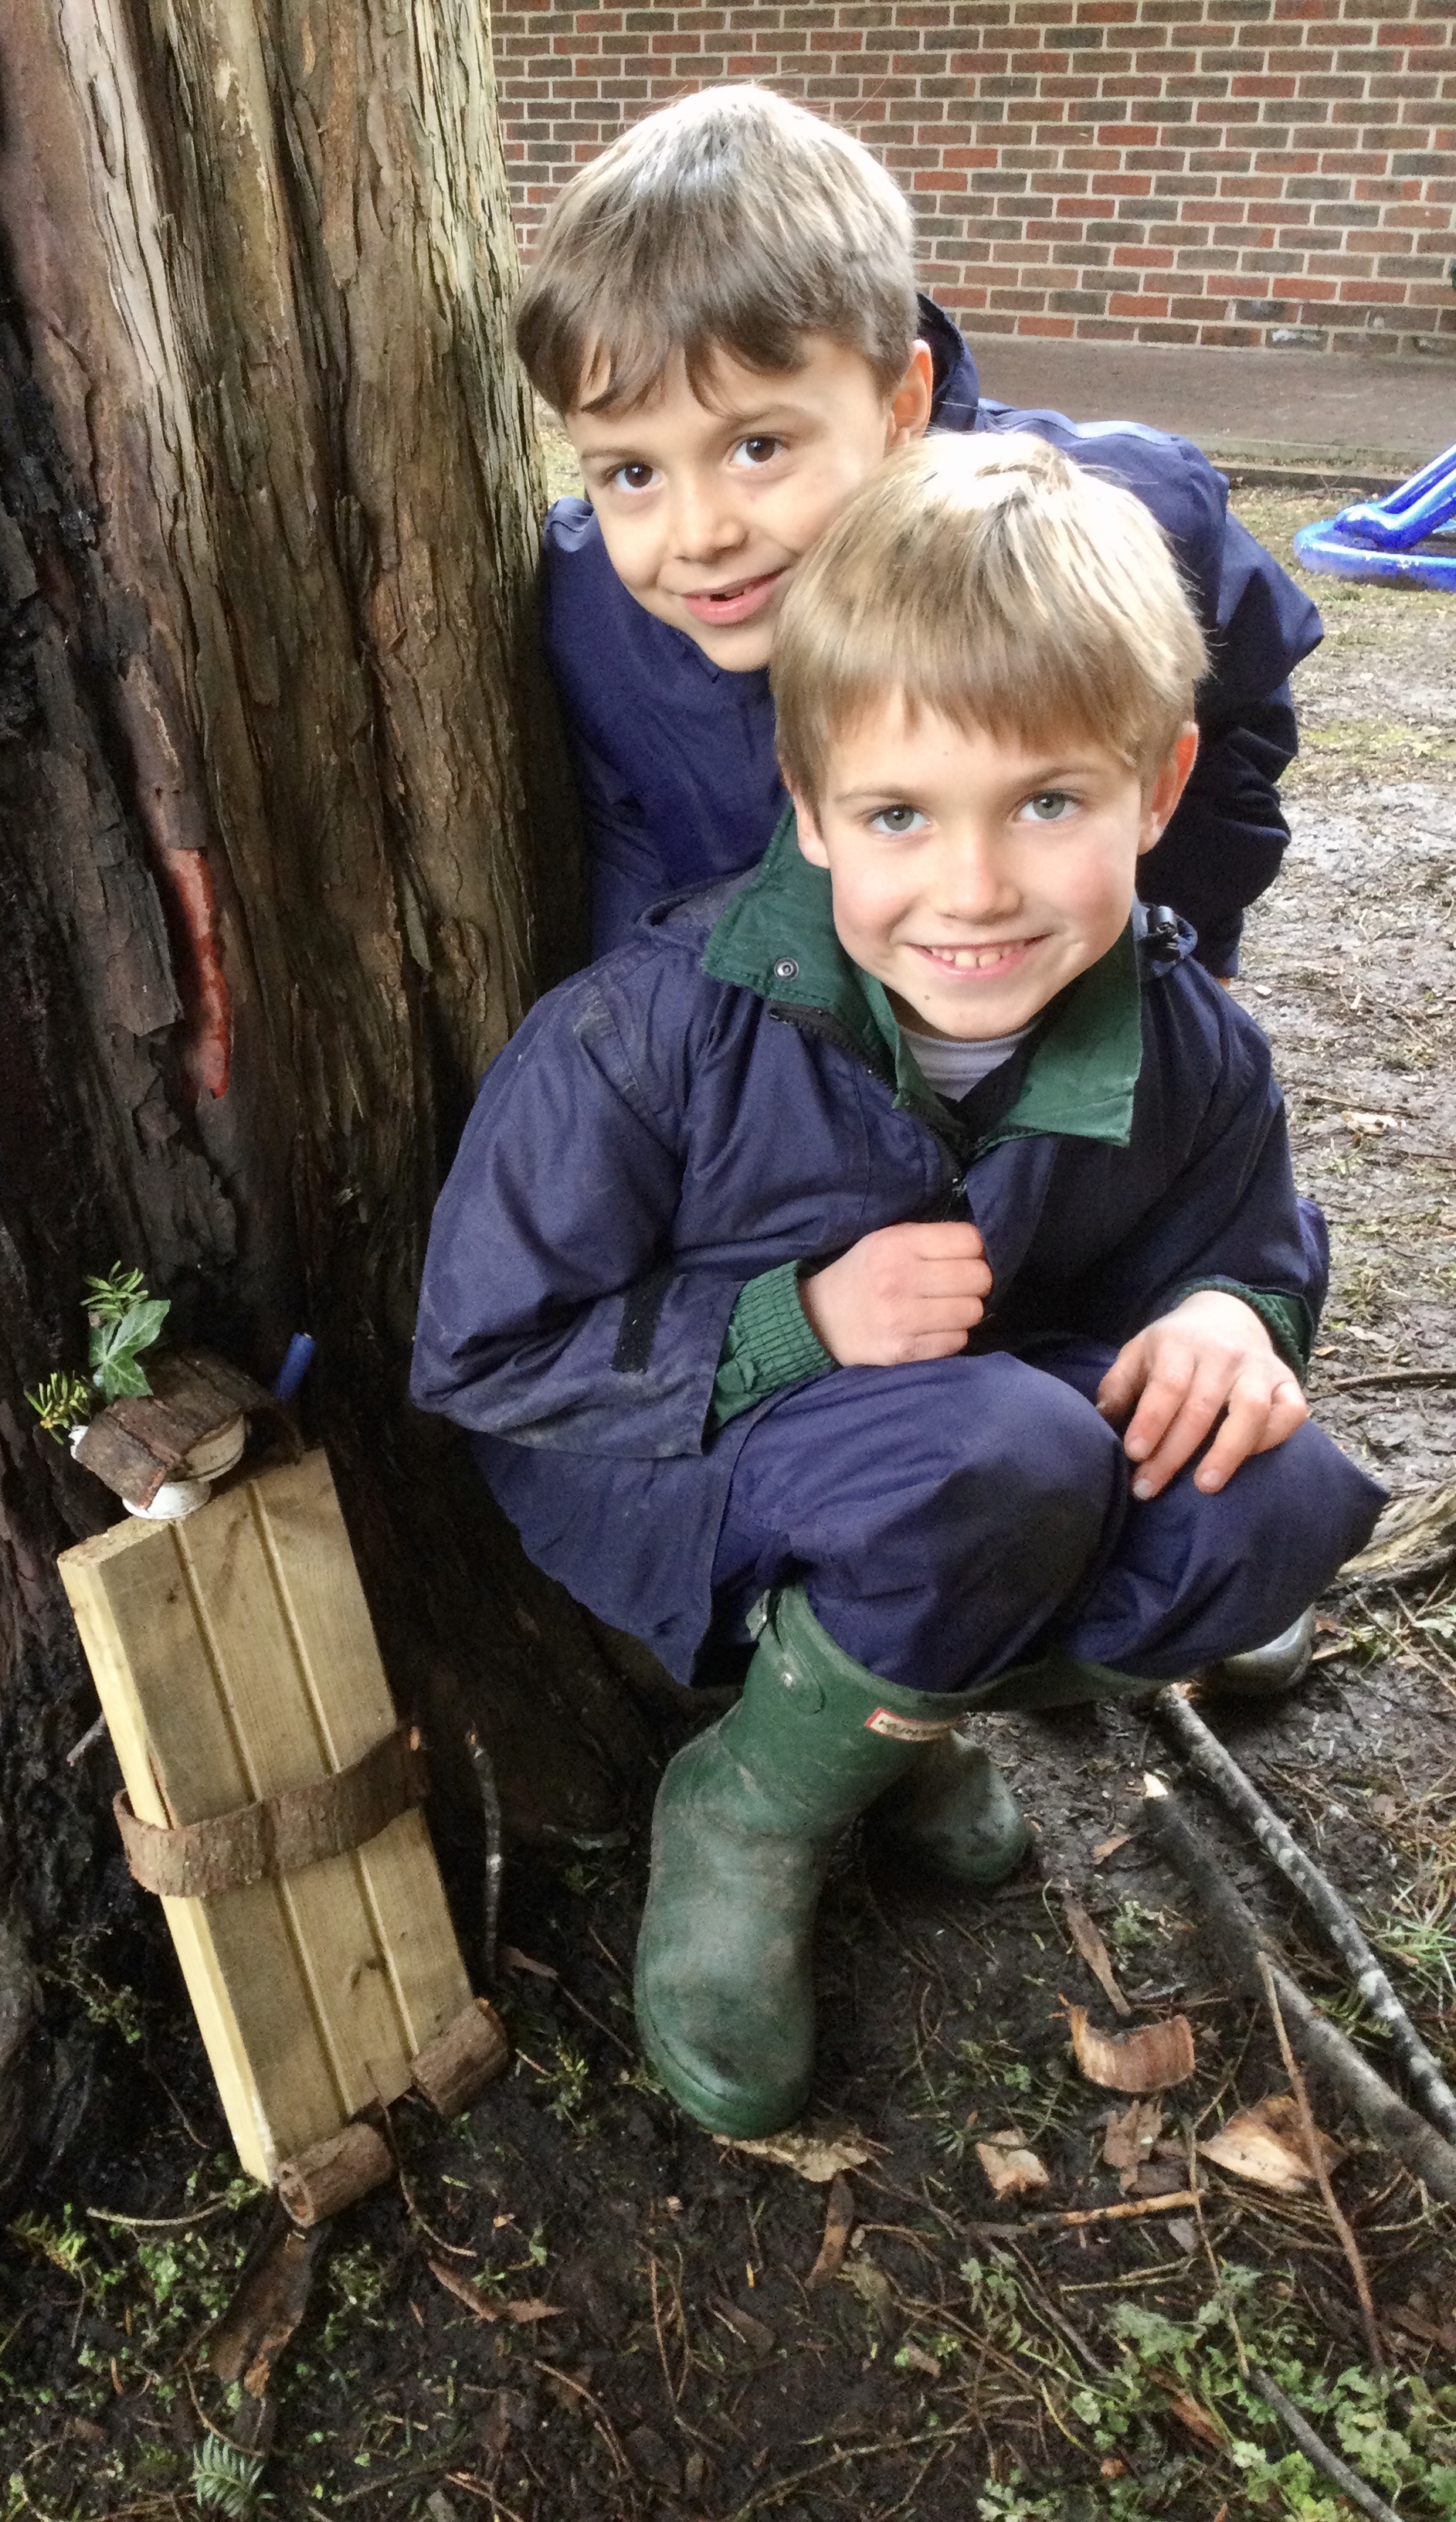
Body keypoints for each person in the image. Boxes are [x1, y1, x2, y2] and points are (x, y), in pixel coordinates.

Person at [412, 436, 1383, 2140]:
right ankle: (747, 1810)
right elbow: (484, 1349)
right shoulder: (650, 1034)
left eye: (1052, 804)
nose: (977, 887)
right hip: (673, 1463)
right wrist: (797, 1321)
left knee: (1270, 1497)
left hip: (983, 1449)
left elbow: (1240, 1241)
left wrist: (1238, 1317)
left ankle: (883, 1721)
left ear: (1159, 790)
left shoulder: (1190, 1045)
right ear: (810, 806)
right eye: (898, 815)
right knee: (995, 1458)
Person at [519, 86, 1319, 978]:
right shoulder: (590, 617)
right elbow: (622, 869)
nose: (700, 533)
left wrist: (1178, 935)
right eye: (633, 472)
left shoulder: (1122, 517)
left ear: (899, 402)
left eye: (757, 447)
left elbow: (1232, 716)